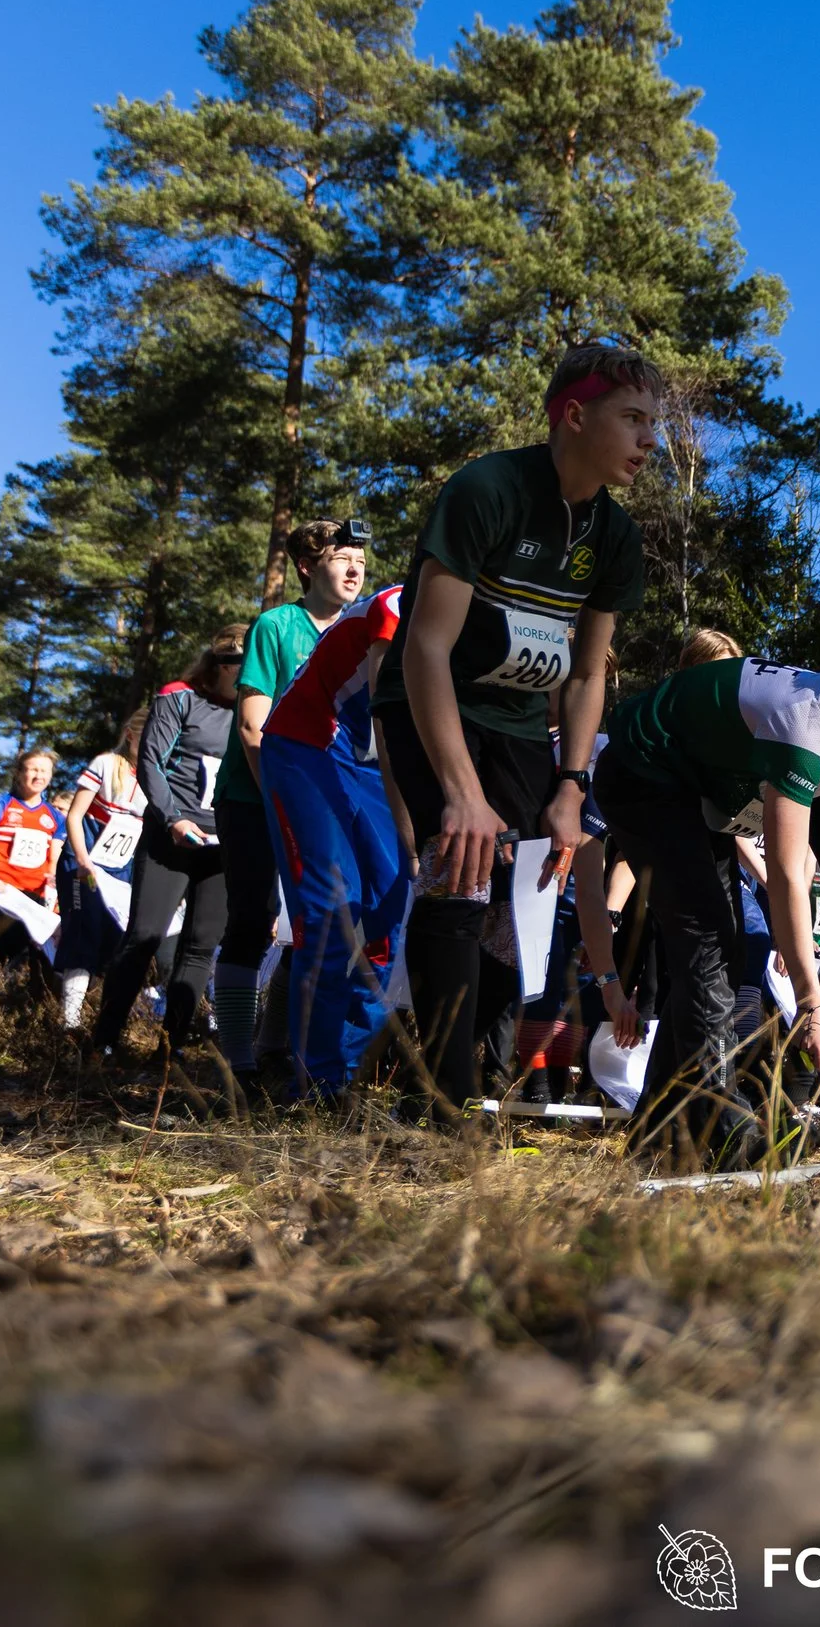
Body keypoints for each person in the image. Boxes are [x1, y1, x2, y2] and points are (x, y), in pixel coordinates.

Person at [373, 344, 655, 1114]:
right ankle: (442, 1097)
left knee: (521, 907)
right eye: (632, 419)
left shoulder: (617, 539)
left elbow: (589, 673)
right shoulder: (486, 489)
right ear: (574, 414)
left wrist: (572, 784)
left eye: (652, 423)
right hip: (433, 704)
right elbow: (425, 645)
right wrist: (461, 793)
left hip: (524, 724)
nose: (649, 440)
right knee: (458, 865)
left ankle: (447, 1060)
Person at [595, 617, 820, 1165]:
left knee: (719, 948)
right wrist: (810, 1000)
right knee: (711, 940)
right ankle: (721, 1125)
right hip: (643, 769)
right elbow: (787, 873)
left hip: (697, 790)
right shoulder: (804, 722)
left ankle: (654, 1130)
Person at [209, 519, 368, 1088]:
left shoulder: (364, 629)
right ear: (307, 567)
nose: (354, 569)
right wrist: (284, 803)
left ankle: (274, 1048)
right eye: (341, 558)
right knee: (252, 922)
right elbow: (253, 728)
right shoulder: (277, 625)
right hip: (254, 797)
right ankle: (239, 1063)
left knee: (316, 926)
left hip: (328, 805)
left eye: (360, 561)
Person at [262, 584, 410, 1099]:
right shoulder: (400, 602)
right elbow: (393, 716)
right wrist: (411, 825)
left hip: (370, 767)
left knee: (395, 914)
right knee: (329, 915)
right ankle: (313, 1085)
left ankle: (343, 1073)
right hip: (309, 745)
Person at [89, 628, 245, 1070]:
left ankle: (169, 1045)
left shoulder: (253, 710)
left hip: (222, 843)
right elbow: (151, 762)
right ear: (218, 666)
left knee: (200, 947)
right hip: (170, 838)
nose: (248, 675)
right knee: (145, 937)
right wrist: (173, 818)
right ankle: (103, 1042)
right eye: (239, 667)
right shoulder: (178, 698)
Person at [59, 710, 150, 1030]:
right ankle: (69, 1020)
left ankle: (101, 1020)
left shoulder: (154, 774)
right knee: (85, 932)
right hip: (83, 861)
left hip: (120, 870)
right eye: (146, 735)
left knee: (116, 942)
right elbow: (74, 815)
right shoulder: (106, 764)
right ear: (130, 734)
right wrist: (82, 860)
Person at [0, 750, 64, 989]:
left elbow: (54, 862)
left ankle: (1, 1018)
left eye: (44, 771)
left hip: (30, 900)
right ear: (19, 773)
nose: (38, 775)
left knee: (15, 966)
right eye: (32, 769)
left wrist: (52, 897)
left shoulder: (54, 817)